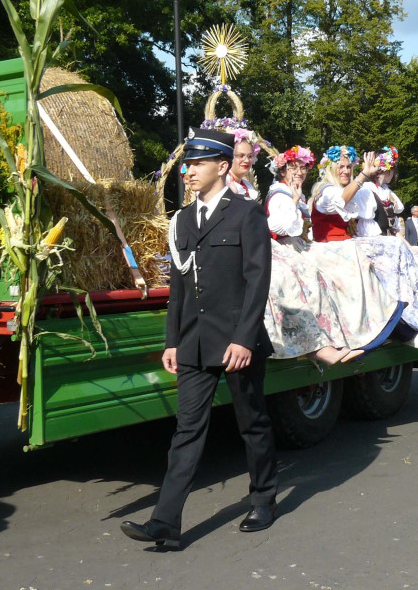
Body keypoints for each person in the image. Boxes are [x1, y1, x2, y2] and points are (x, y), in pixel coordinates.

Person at [121, 129, 278, 550]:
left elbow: (257, 280)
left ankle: (263, 498)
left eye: (197, 164)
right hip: (193, 343)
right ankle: (165, 524)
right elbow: (179, 289)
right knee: (187, 431)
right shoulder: (183, 220)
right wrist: (172, 341)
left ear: (222, 166)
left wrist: (245, 338)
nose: (187, 171)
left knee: (252, 422)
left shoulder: (247, 214)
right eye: (187, 164)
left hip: (236, 344)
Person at [311, 145, 418, 348]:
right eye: (341, 167)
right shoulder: (327, 192)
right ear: (331, 169)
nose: (345, 171)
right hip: (330, 248)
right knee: (390, 257)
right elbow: (343, 204)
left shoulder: (355, 191)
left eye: (348, 167)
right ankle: (404, 325)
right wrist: (362, 177)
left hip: (346, 245)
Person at [263, 145, 396, 365]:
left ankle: (362, 326)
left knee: (351, 258)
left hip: (301, 246)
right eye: (294, 168)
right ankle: (327, 341)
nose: (300, 172)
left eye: (303, 168)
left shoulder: (294, 191)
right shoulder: (281, 194)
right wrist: (295, 202)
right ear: (283, 171)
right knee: (317, 275)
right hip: (286, 248)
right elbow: (281, 228)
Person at [227, 134, 260, 199]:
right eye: (241, 156)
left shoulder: (247, 186)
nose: (247, 160)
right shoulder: (224, 184)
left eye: (250, 156)